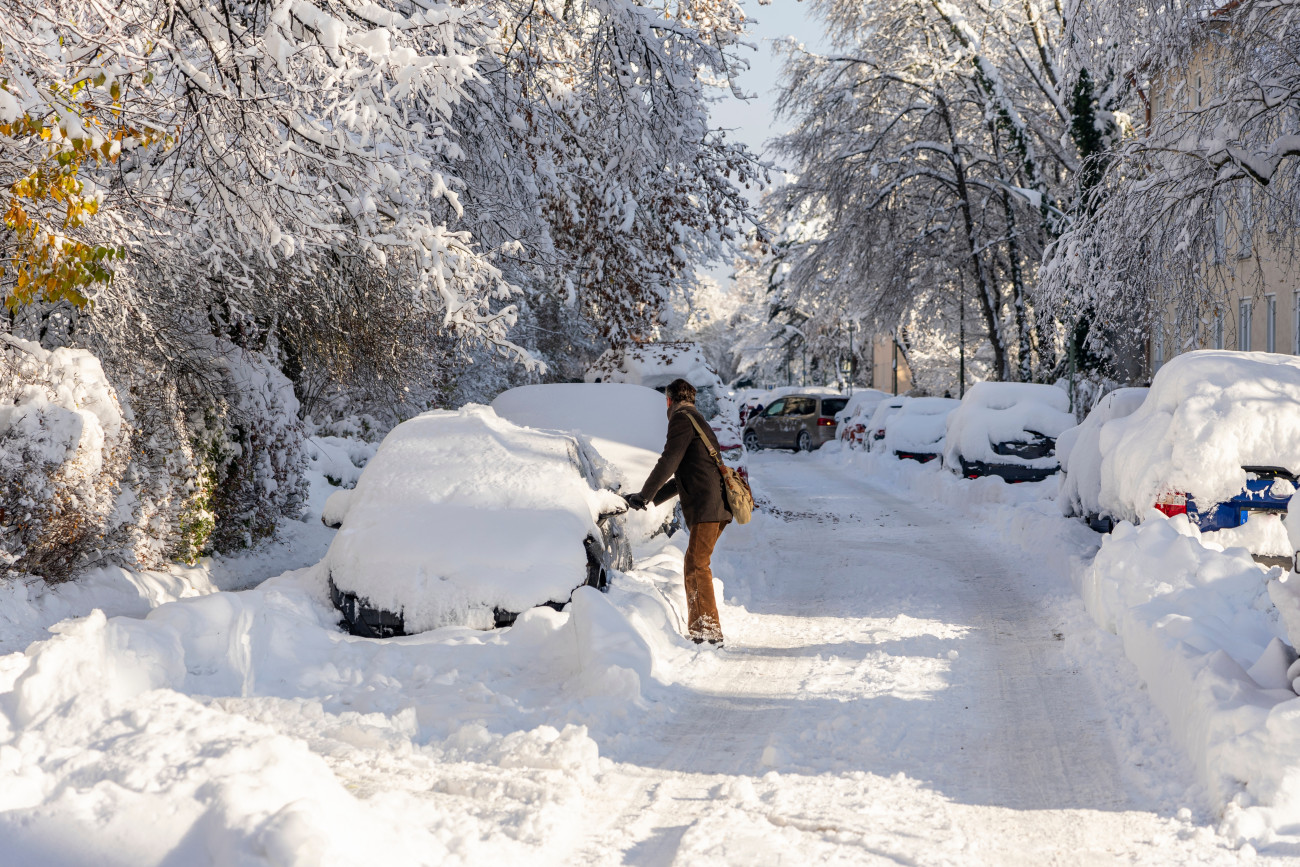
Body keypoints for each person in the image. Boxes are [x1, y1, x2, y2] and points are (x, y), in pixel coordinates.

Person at [624, 378, 731, 645]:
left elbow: (669, 461)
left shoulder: (682, 419)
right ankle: (699, 631)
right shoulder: (695, 419)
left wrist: (644, 494)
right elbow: (683, 473)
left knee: (698, 565)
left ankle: (710, 633)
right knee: (692, 565)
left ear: (669, 400)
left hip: (708, 506)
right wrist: (647, 498)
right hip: (713, 505)